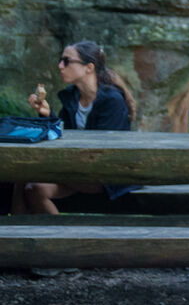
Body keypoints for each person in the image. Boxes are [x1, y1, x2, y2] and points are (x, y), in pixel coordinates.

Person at [10, 40, 137, 215]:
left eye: (67, 61)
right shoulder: (71, 97)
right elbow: (62, 134)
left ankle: (15, 227)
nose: (60, 66)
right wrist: (46, 114)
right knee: (34, 188)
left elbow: (105, 151)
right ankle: (47, 232)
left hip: (106, 175)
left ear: (89, 67)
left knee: (25, 172)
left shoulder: (112, 102)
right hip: (77, 167)